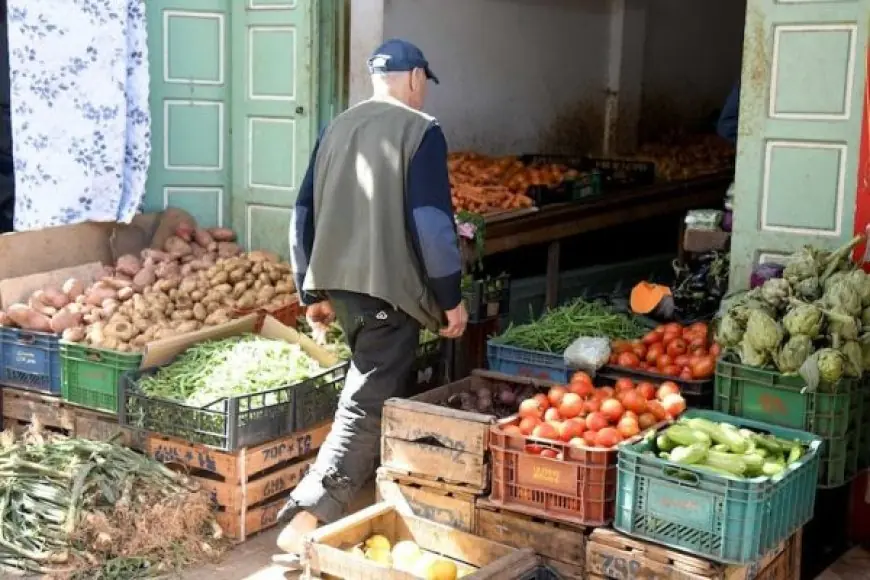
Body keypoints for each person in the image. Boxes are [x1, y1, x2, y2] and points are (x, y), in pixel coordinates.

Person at [275, 38, 468, 560]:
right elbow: (432, 225)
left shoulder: (336, 126)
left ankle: (381, 501)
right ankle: (306, 517)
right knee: (367, 400)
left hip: (342, 285)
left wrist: (310, 290)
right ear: (412, 79)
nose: (423, 90)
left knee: (378, 387)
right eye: (424, 80)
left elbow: (303, 213)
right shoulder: (421, 131)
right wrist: (450, 296)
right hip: (389, 288)